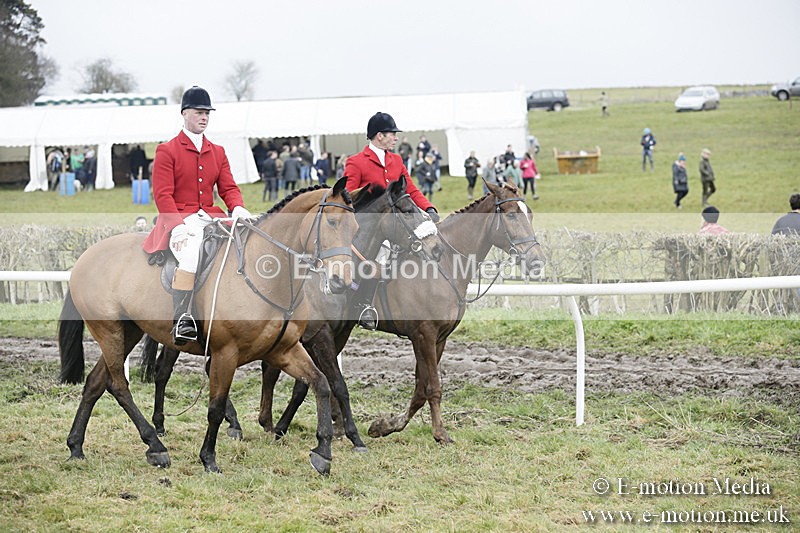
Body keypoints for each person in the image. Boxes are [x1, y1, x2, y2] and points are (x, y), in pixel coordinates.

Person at [142, 86, 252, 345]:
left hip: (211, 216)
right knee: (191, 251)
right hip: (181, 218)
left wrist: (237, 207)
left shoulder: (218, 151)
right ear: (184, 113)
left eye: (207, 113)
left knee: (245, 242)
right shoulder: (167, 150)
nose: (204, 117)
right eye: (199, 112)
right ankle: (182, 318)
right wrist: (176, 226)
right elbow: (163, 195)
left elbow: (228, 188)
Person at [345, 111, 439, 329]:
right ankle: (362, 304)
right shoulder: (356, 162)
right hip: (367, 230)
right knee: (382, 255)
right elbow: (348, 197)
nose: (396, 138)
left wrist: (428, 207)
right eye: (392, 134)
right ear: (380, 135)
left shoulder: (396, 160)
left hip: (396, 225)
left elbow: (410, 189)